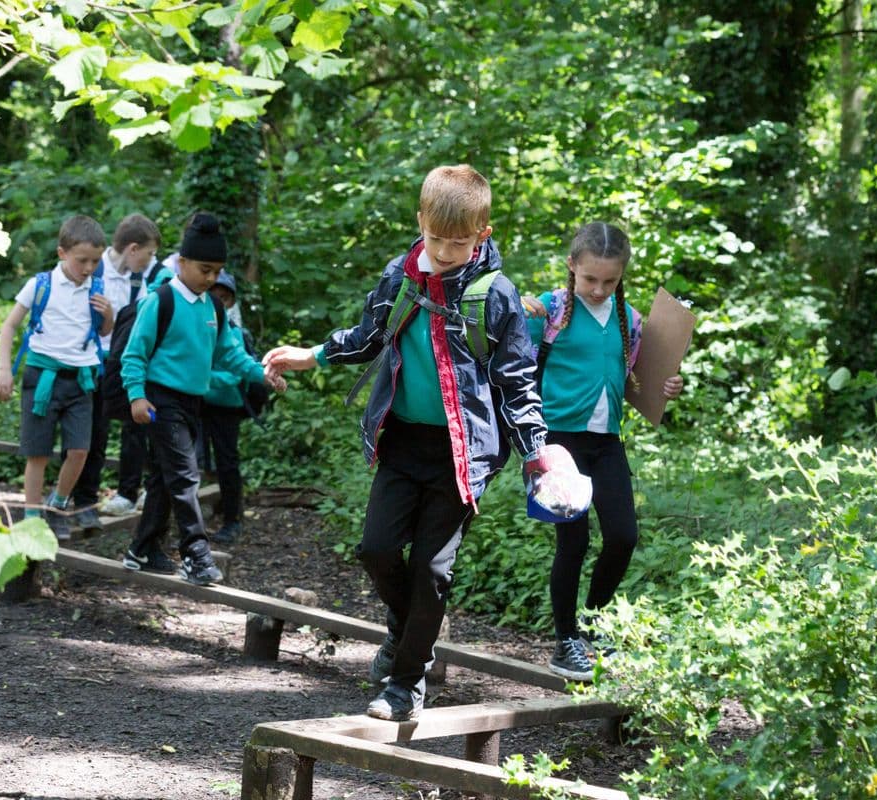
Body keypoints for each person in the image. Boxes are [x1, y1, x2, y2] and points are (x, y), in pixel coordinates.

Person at [263, 164, 573, 722]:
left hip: (464, 452)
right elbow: (368, 338)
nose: (447, 251)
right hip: (403, 442)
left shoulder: (495, 296)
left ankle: (406, 684)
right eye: (436, 238)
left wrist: (537, 452)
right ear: (420, 222)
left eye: (460, 241)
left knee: (432, 569)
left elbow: (517, 383)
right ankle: (410, 634)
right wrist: (312, 355)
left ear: (483, 233)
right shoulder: (401, 276)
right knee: (376, 550)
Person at [522, 222, 683, 681]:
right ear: (572, 266)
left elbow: (638, 381)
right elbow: (510, 361)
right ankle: (566, 640)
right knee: (573, 541)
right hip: (556, 440)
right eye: (590, 279)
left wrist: (665, 385)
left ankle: (594, 623)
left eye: (609, 281)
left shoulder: (626, 319)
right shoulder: (548, 311)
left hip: (606, 440)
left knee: (623, 536)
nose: (598, 289)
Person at [120, 213, 284, 585]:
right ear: (182, 263)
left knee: (165, 477)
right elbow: (134, 354)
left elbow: (230, 354)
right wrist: (136, 396)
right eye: (204, 269)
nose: (211, 278)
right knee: (184, 474)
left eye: (217, 272)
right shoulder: (160, 301)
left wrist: (262, 372)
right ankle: (196, 552)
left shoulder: (213, 309)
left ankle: (141, 550)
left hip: (193, 402)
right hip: (161, 400)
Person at [0, 215, 114, 541]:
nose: (89, 267)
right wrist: (5, 369)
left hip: (81, 380)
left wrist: (109, 315)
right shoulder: (40, 285)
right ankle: (32, 516)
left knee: (79, 451)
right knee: (38, 453)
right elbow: (9, 326)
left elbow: (102, 332)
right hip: (42, 377)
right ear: (62, 253)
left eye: (95, 261)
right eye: (82, 260)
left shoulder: (98, 288)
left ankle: (58, 503)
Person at [66, 213, 162, 532]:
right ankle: (82, 498)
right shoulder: (95, 271)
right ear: (132, 249)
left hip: (125, 363)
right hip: (92, 362)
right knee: (93, 432)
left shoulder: (142, 280)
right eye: (148, 254)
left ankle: (127, 490)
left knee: (134, 428)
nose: (151, 262)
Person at [199, 269, 261, 544]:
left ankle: (232, 519)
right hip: (196, 404)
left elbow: (237, 373)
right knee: (191, 461)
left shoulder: (234, 333)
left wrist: (200, 378)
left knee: (227, 461)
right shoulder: (194, 327)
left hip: (225, 406)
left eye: (225, 298)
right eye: (215, 296)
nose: (219, 302)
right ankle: (193, 518)